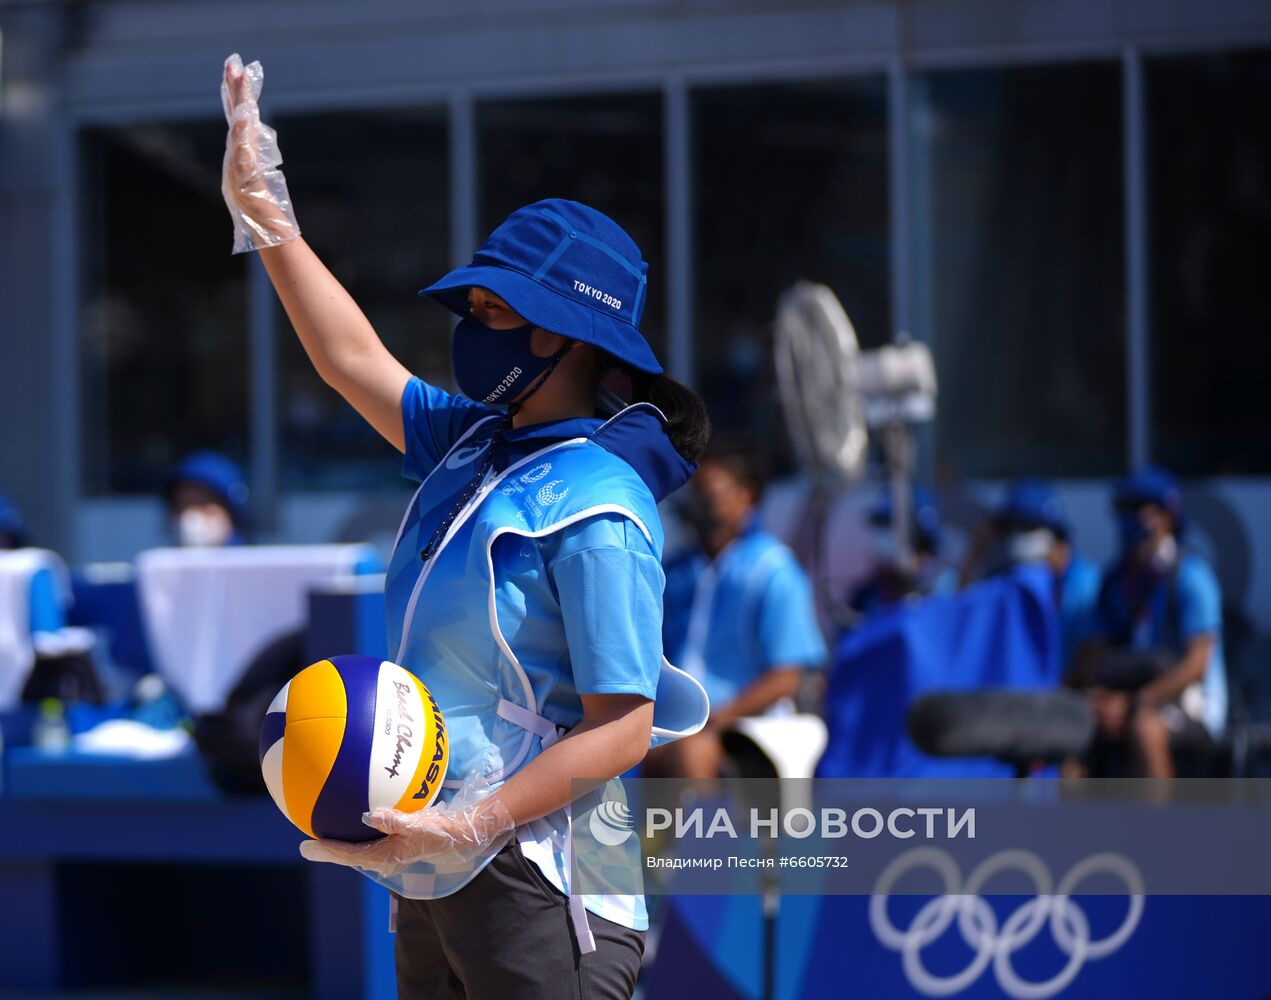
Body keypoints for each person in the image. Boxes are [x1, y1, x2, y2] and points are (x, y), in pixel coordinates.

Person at [219, 55, 710, 999]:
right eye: (473, 306)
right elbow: (346, 355)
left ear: (565, 334)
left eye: (495, 307)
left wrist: (476, 823)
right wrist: (265, 213)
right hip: (435, 866)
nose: (471, 323)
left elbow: (625, 725)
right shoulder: (473, 443)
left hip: (548, 884)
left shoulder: (601, 499)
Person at [650, 442, 826, 779]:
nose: (697, 502)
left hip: (748, 723)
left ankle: (707, 832)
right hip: (676, 725)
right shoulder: (676, 569)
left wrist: (716, 719)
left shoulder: (774, 569)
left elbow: (787, 677)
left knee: (692, 753)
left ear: (747, 495)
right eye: (693, 492)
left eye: (709, 492)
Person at [1075, 467, 1227, 778]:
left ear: (1167, 516)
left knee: (1145, 727)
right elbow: (1094, 653)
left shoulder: (1192, 576)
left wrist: (1134, 703)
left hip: (1189, 703)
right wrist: (1102, 698)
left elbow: (1197, 665)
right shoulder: (1116, 580)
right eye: (1122, 509)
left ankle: (1158, 826)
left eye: (1137, 509)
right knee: (1072, 725)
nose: (1128, 519)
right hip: (1125, 698)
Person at [977, 479, 1102, 672]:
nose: (1016, 536)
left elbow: (1091, 655)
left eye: (1028, 527)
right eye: (1010, 528)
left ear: (1059, 542)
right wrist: (975, 551)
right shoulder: (1000, 581)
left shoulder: (1085, 582)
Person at [847, 483, 953, 617]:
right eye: (879, 525)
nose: (880, 537)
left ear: (917, 536)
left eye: (887, 526)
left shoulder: (946, 589)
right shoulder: (868, 594)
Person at [164, 451, 250, 546]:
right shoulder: (159, 559)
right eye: (182, 505)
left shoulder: (254, 559)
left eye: (203, 504)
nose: (192, 516)